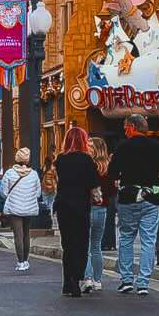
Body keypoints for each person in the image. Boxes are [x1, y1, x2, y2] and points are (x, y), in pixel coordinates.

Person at [109, 115, 159, 296]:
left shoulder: (123, 147)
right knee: (148, 240)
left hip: (128, 198)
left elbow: (113, 173)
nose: (125, 130)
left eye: (126, 127)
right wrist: (155, 192)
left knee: (126, 237)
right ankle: (143, 282)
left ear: (132, 127)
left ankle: (127, 279)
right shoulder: (158, 148)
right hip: (151, 200)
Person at [54, 127, 97, 297]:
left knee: (67, 244)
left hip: (63, 204)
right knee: (81, 243)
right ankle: (76, 279)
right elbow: (92, 183)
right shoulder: (86, 160)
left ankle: (67, 281)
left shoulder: (61, 159)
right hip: (80, 205)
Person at [1, 147, 41, 271]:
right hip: (29, 208)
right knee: (26, 234)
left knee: (18, 235)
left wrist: (12, 197)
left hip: (14, 207)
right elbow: (38, 193)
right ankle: (26, 260)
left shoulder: (9, 173)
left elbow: (3, 192)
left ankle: (20, 262)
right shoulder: (34, 174)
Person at [83, 136, 114, 293]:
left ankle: (87, 278)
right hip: (102, 209)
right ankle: (98, 280)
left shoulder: (88, 166)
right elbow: (112, 190)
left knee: (86, 246)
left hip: (87, 208)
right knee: (96, 246)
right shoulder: (108, 167)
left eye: (89, 146)